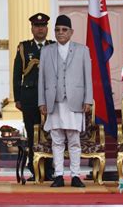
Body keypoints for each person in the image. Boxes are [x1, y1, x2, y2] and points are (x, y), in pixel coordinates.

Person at [38, 15, 92, 188]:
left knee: (74, 139)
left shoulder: (82, 50)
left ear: (71, 32)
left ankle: (75, 175)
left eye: (64, 30)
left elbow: (87, 78)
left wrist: (88, 99)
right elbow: (41, 79)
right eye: (57, 30)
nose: (60, 33)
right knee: (57, 139)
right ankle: (59, 175)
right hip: (53, 101)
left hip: (74, 101)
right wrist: (42, 101)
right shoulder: (46, 51)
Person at [13, 12, 54, 181]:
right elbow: (17, 74)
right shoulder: (24, 47)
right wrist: (17, 98)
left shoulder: (53, 46)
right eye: (37, 26)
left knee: (50, 134)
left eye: (43, 26)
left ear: (47, 28)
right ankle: (34, 169)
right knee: (32, 134)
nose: (40, 29)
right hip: (29, 97)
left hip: (50, 97)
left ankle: (50, 170)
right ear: (32, 28)